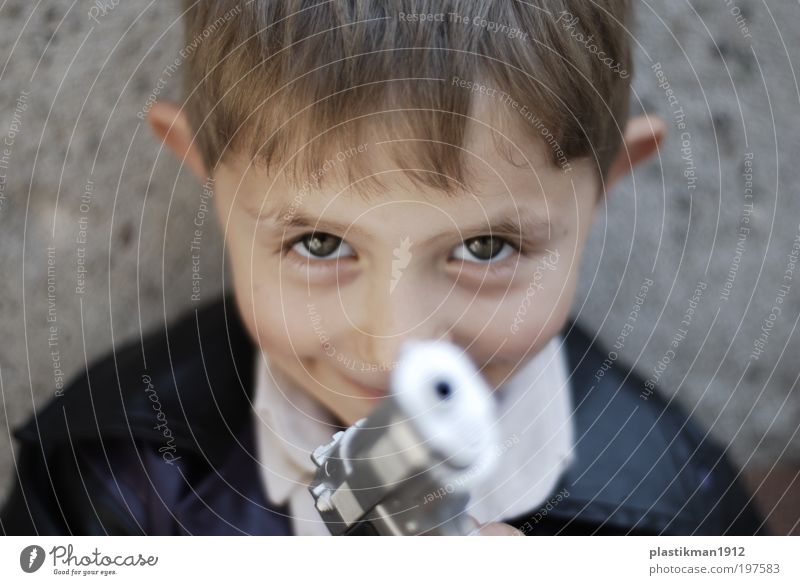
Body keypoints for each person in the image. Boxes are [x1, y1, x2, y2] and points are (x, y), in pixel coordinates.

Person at [1, 0, 766, 535]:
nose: (397, 349)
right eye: (321, 244)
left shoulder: (678, 510)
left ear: (605, 185)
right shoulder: (106, 466)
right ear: (206, 175)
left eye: (486, 248)